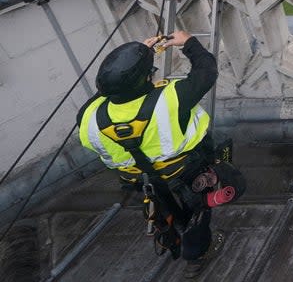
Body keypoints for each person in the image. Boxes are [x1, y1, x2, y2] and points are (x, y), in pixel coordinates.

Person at [77, 30, 227, 279]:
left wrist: (142, 56)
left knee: (166, 212)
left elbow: (103, 96)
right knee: (198, 213)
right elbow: (206, 70)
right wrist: (188, 42)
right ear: (147, 78)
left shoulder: (88, 117)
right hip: (186, 174)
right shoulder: (171, 98)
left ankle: (175, 239)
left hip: (143, 183)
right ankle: (196, 257)